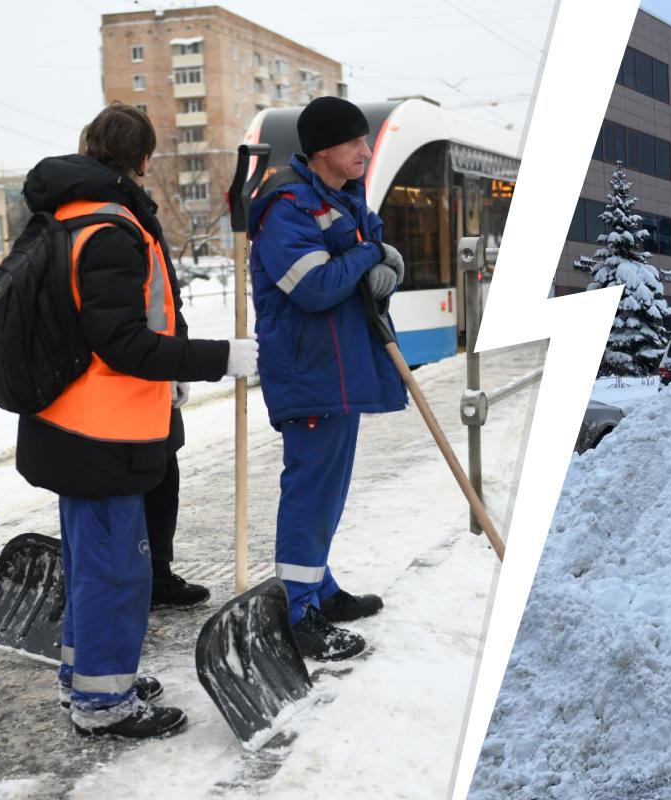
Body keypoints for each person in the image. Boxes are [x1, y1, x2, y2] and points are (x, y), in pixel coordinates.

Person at [18, 102, 258, 738]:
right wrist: (219, 358)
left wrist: (173, 375)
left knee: (93, 563)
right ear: (145, 159)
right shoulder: (112, 230)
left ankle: (90, 676)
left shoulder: (65, 216)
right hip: (101, 431)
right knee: (116, 571)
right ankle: (104, 704)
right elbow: (123, 342)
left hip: (73, 421)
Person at [247, 96, 407, 660]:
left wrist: (379, 262)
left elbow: (376, 261)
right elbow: (313, 287)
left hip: (340, 368)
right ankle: (301, 613)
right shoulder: (287, 207)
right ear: (322, 151)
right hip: (310, 369)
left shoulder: (341, 199)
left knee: (330, 490)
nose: (366, 151)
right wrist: (367, 257)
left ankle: (322, 587)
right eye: (354, 142)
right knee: (310, 491)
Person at [77, 124, 209, 610]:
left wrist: (177, 359)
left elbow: (164, 299)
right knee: (137, 488)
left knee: (160, 476)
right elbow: (146, 307)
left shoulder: (121, 211)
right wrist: (185, 361)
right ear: (145, 159)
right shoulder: (118, 218)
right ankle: (138, 586)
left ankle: (155, 574)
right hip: (128, 380)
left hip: (147, 372)